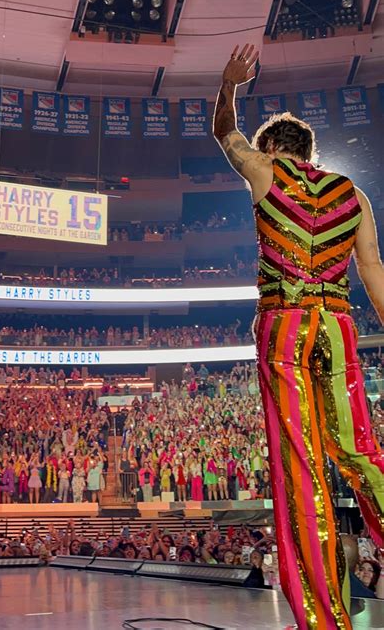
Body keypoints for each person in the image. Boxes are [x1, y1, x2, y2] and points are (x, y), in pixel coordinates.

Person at [213, 43, 384, 630]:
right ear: (313, 154)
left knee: (302, 466)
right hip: (337, 327)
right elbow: (374, 274)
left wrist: (230, 84)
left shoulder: (261, 170)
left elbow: (224, 132)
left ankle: (322, 619)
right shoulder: (354, 196)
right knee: (361, 452)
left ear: (271, 152)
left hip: (284, 325)